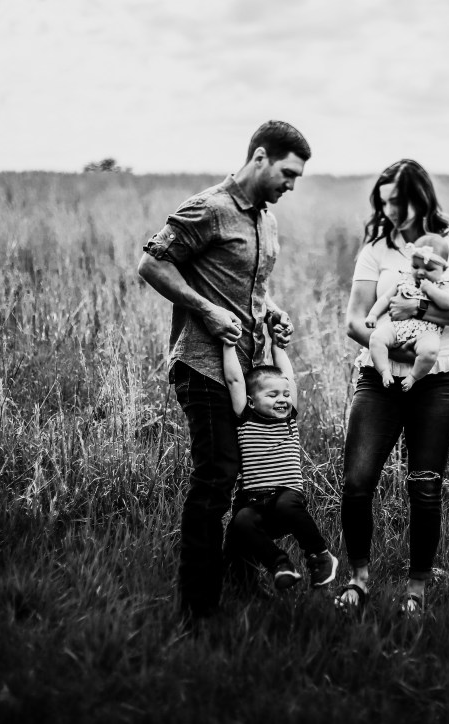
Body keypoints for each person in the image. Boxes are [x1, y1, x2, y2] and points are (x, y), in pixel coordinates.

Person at [136, 120, 311, 621]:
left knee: (254, 482)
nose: (291, 185)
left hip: (249, 370)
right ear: (260, 157)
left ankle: (242, 575)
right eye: (288, 173)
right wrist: (205, 310)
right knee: (215, 481)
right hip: (203, 365)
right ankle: (198, 608)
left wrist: (270, 310)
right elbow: (152, 264)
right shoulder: (209, 209)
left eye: (297, 178)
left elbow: (249, 286)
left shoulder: (267, 219)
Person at [335, 159, 449, 615]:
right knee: (357, 481)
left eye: (397, 201)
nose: (391, 211)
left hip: (440, 379)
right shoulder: (376, 249)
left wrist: (416, 311)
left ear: (420, 196)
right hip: (379, 374)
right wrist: (398, 349)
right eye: (383, 203)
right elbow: (353, 318)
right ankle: (359, 578)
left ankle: (416, 588)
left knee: (424, 484)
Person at [219, 335, 339, 591]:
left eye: (285, 394)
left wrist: (277, 346)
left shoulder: (289, 419)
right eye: (272, 395)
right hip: (255, 501)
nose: (282, 399)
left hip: (287, 496)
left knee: (286, 505)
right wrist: (228, 344)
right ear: (252, 401)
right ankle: (280, 565)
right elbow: (234, 379)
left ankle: (320, 556)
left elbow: (289, 376)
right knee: (241, 521)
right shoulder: (245, 418)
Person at [364, 232, 449, 391]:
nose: (420, 272)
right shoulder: (404, 280)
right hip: (400, 326)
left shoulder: (443, 285)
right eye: (415, 266)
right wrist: (373, 314)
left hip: (427, 332)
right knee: (376, 338)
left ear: (443, 269)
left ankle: (413, 376)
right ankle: (384, 371)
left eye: (429, 268)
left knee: (430, 352)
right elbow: (386, 299)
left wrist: (431, 290)